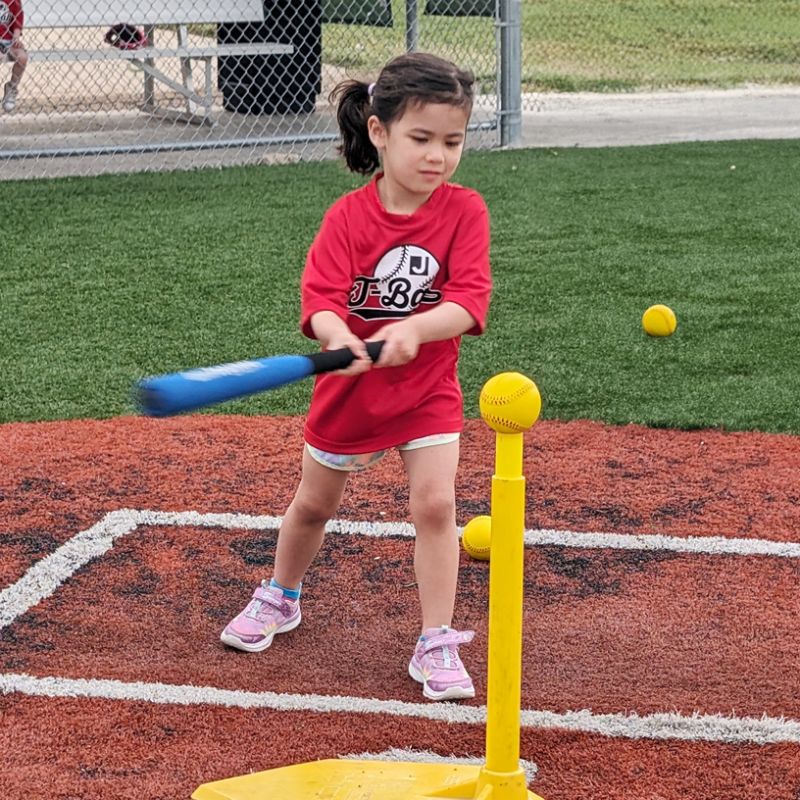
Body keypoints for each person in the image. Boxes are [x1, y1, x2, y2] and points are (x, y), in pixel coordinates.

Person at [221, 52, 492, 702]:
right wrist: (343, 337)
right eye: (420, 139)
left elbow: (469, 300)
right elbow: (320, 302)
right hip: (349, 393)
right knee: (314, 505)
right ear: (379, 132)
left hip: (426, 392)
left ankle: (435, 638)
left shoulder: (464, 211)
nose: (437, 156)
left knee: (435, 505)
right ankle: (282, 595)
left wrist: (414, 329)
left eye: (452, 141)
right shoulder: (348, 218)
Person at [0, 0, 27, 113]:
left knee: (22, 57)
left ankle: (11, 87)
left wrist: (16, 38)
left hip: (8, 40)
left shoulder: (14, 1)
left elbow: (17, 20)